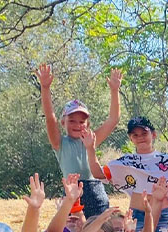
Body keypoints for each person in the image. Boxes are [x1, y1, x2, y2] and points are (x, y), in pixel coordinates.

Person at [36, 63, 122, 217]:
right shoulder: (59, 143)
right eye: (72, 120)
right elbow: (50, 118)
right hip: (72, 191)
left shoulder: (91, 139)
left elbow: (113, 119)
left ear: (87, 124)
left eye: (82, 121)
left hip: (95, 190)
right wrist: (45, 88)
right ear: (63, 123)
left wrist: (114, 90)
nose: (77, 125)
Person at [89, 115, 168, 232]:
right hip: (137, 216)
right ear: (130, 138)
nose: (140, 137)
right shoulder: (125, 162)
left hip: (163, 214)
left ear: (154, 134)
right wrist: (90, 148)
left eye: (144, 133)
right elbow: (97, 173)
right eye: (135, 135)